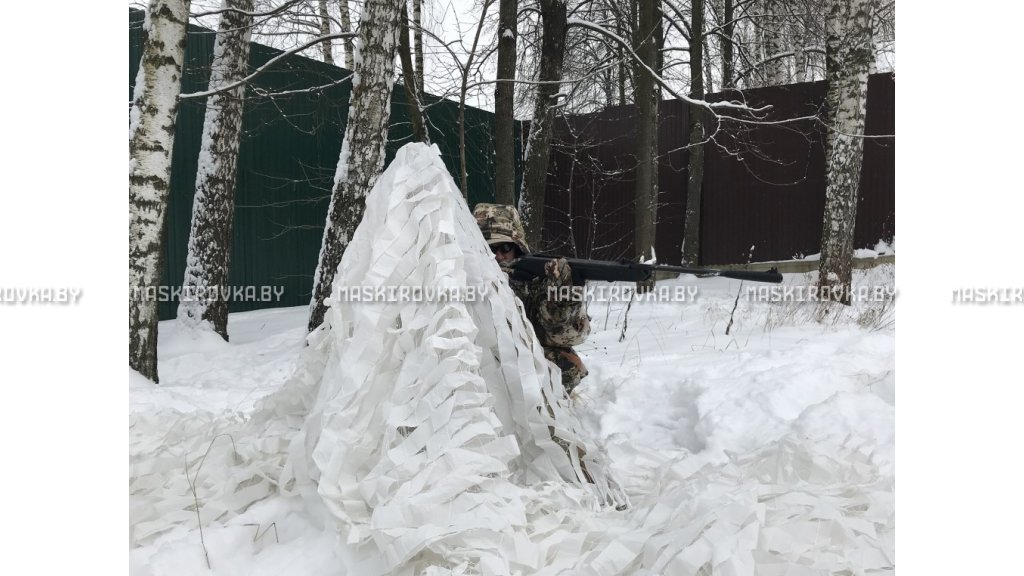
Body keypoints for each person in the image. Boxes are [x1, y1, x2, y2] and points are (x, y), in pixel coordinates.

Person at [473, 203, 590, 394]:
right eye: (490, 249)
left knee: (567, 367)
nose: (499, 256)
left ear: (517, 248)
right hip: (477, 356)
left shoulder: (534, 280)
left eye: (505, 248)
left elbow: (565, 336)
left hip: (517, 359)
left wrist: (565, 295)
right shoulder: (463, 277)